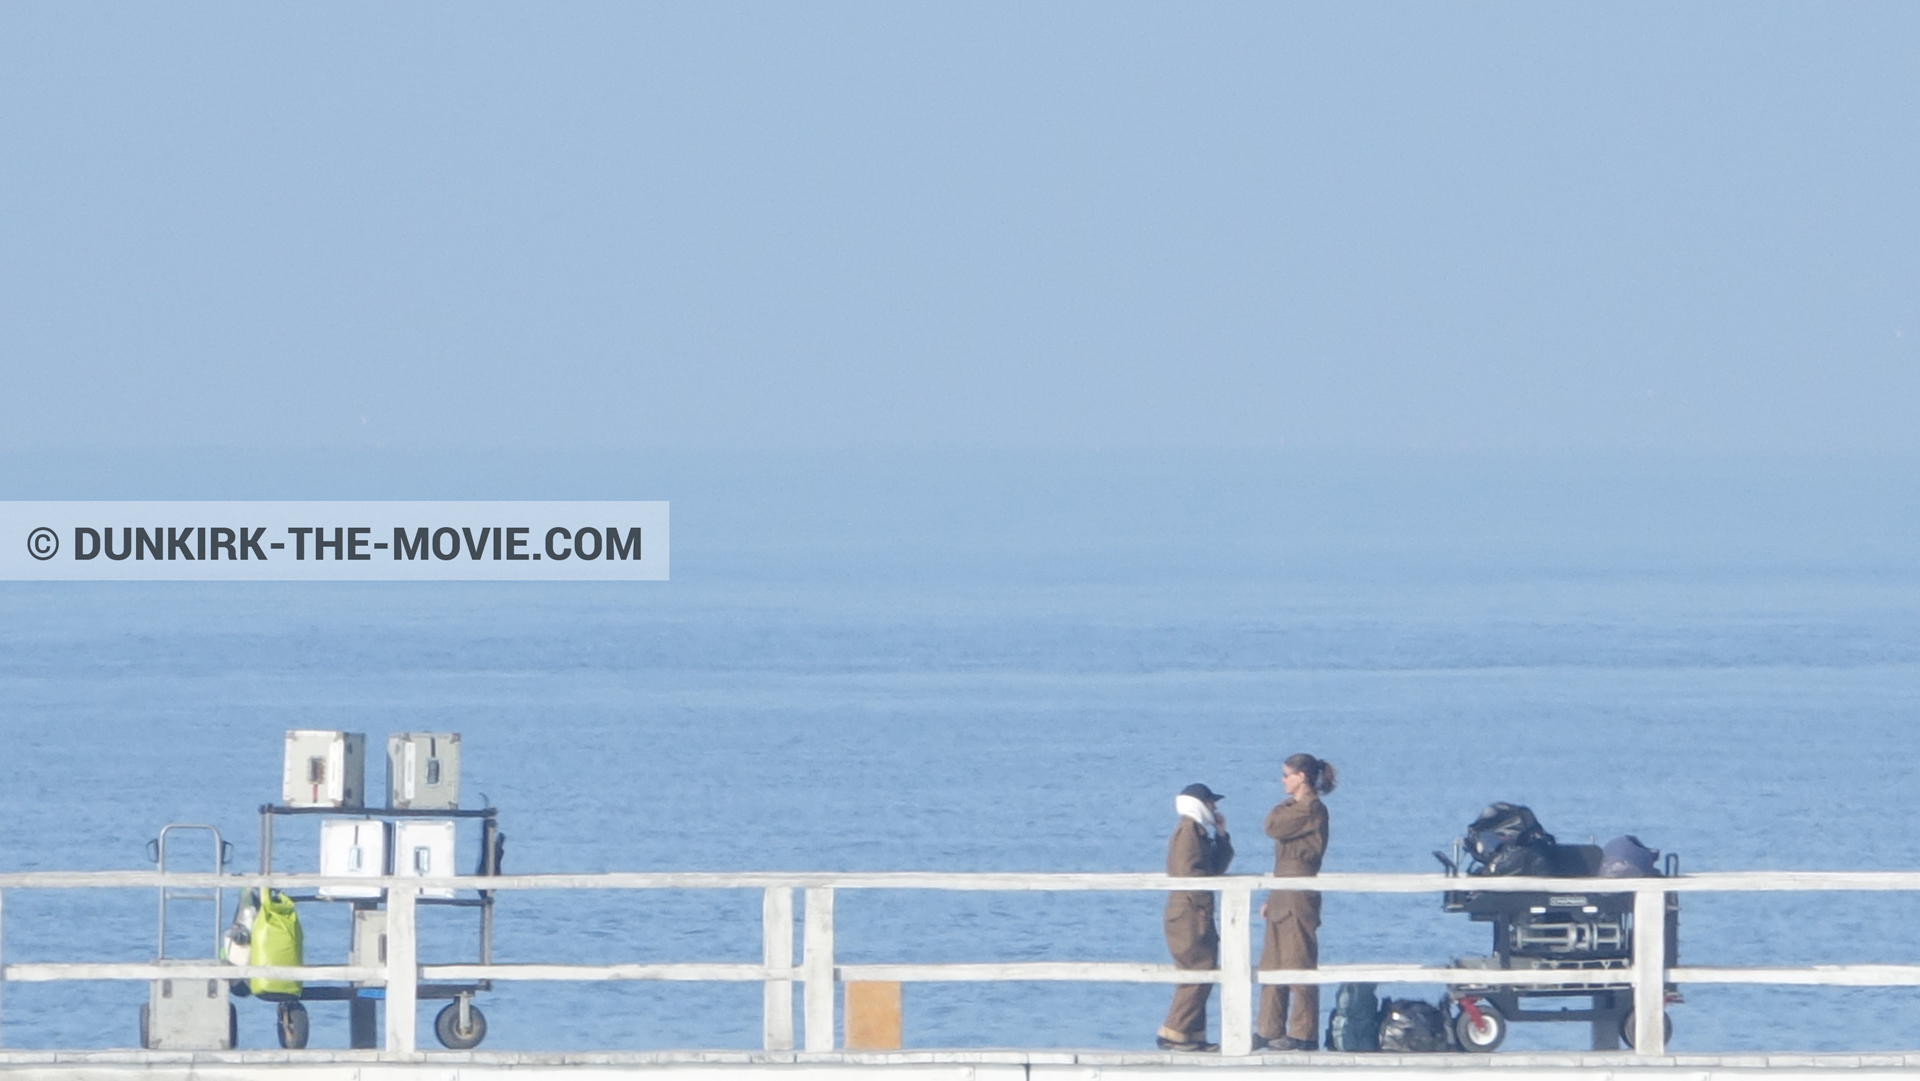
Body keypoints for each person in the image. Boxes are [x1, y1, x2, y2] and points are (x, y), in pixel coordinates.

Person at [1254, 753, 1336, 1052]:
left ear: (1301, 776)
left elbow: (1273, 826)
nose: (1283, 780)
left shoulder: (1312, 809)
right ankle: (1268, 1028)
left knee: (1299, 962)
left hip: (1299, 893)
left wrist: (1286, 806)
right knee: (1272, 963)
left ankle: (1303, 1032)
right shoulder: (1295, 807)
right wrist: (1270, 896)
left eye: (1287, 775)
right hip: (1281, 891)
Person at [1157, 782, 1234, 1052]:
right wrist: (1203, 911)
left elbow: (1216, 867)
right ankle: (1174, 1030)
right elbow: (1191, 874)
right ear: (1199, 804)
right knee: (1198, 969)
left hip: (1194, 910)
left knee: (1201, 967)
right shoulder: (1187, 831)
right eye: (1211, 802)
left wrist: (1221, 835)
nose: (1215, 807)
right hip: (1189, 911)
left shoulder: (1198, 831)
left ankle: (1192, 1034)